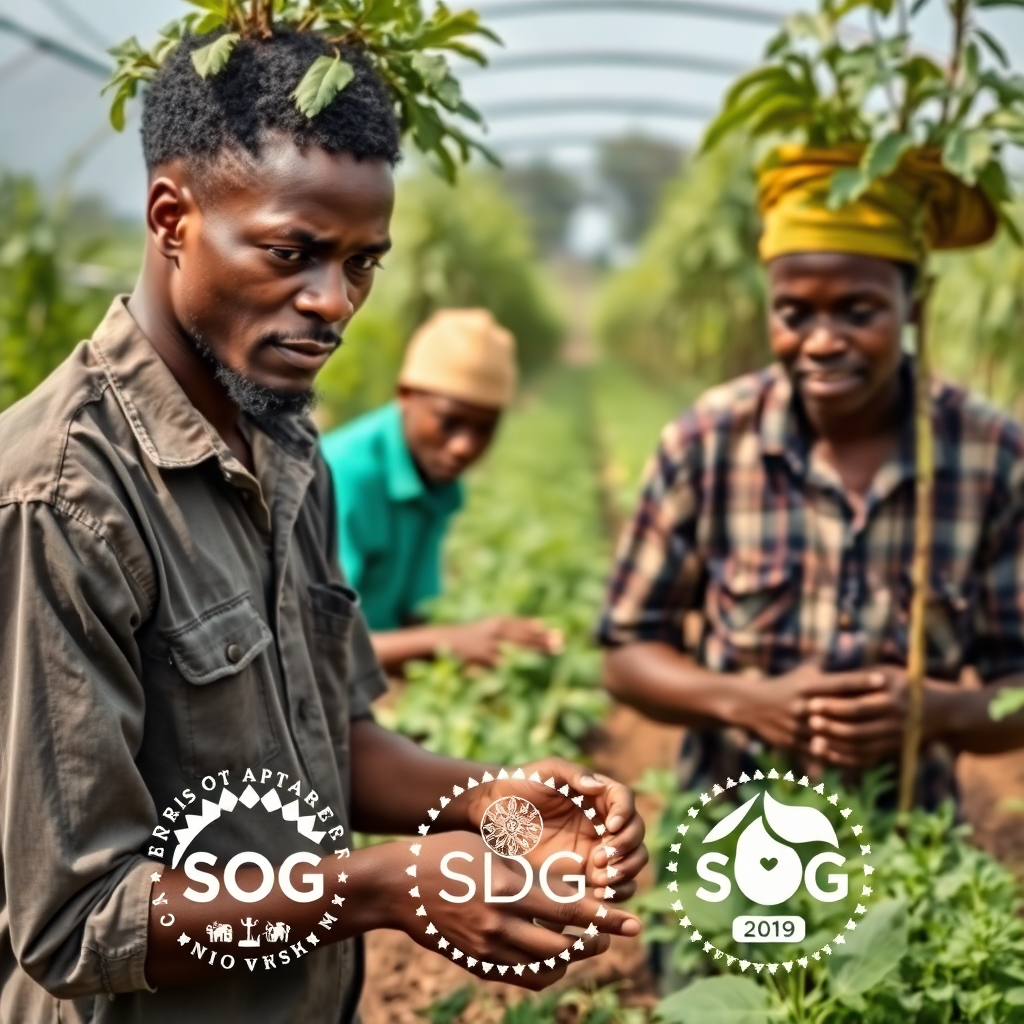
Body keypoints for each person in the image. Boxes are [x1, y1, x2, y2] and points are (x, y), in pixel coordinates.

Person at [0, 30, 646, 1024]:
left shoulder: (286, 447)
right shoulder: (60, 497)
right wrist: (383, 886)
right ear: (172, 218)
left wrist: (495, 800)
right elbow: (78, 920)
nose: (333, 302)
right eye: (292, 252)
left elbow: (331, 741)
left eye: (361, 262)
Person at [598, 145, 1024, 806]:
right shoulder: (708, 441)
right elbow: (626, 655)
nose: (822, 341)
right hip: (734, 838)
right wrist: (745, 702)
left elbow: (1016, 688)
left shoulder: (992, 457)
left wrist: (937, 712)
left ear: (915, 304)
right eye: (795, 314)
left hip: (908, 851)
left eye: (859, 312)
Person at [321, 309, 562, 675]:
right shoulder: (343, 475)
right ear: (405, 395)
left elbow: (413, 614)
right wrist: (448, 640)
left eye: (484, 429)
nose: (465, 446)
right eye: (449, 421)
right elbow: (320, 646)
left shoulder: (433, 476)